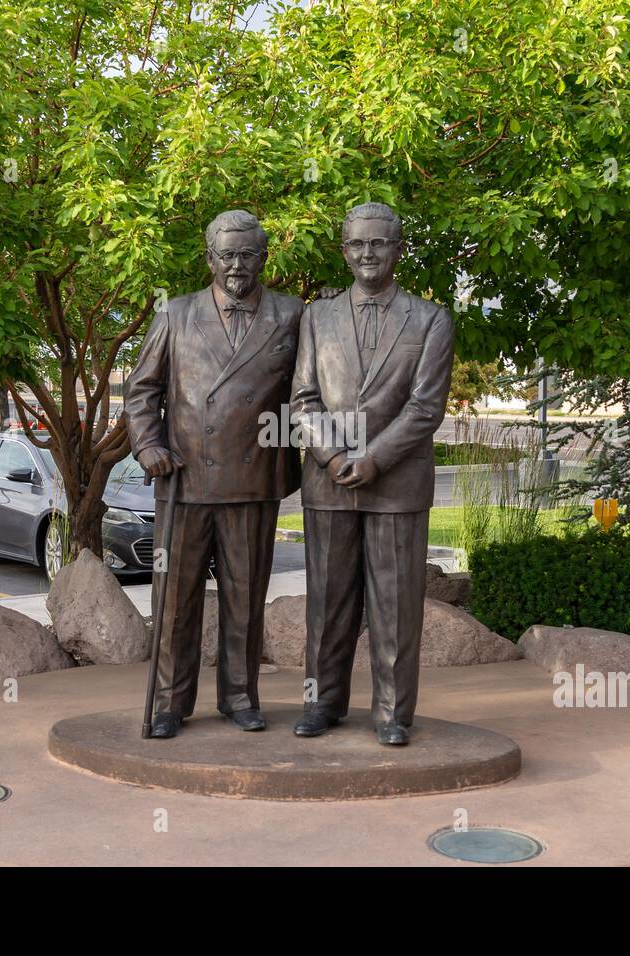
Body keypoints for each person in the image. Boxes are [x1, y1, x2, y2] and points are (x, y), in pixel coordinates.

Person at [124, 210, 303, 739]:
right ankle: (168, 704)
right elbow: (141, 392)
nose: (236, 266)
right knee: (174, 600)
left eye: (248, 254)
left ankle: (240, 696)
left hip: (254, 480)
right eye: (226, 255)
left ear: (264, 257)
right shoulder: (176, 316)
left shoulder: (291, 315)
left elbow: (308, 392)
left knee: (245, 597)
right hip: (184, 480)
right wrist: (149, 443)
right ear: (208, 258)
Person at [290, 202, 454, 746]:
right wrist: (334, 458)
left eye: (378, 243)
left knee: (395, 605)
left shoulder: (431, 320)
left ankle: (391, 712)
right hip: (328, 482)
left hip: (397, 485)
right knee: (327, 603)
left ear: (398, 248)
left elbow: (424, 408)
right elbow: (303, 399)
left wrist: (374, 458)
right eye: (357, 244)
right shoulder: (316, 317)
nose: (367, 253)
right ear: (344, 250)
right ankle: (322, 704)